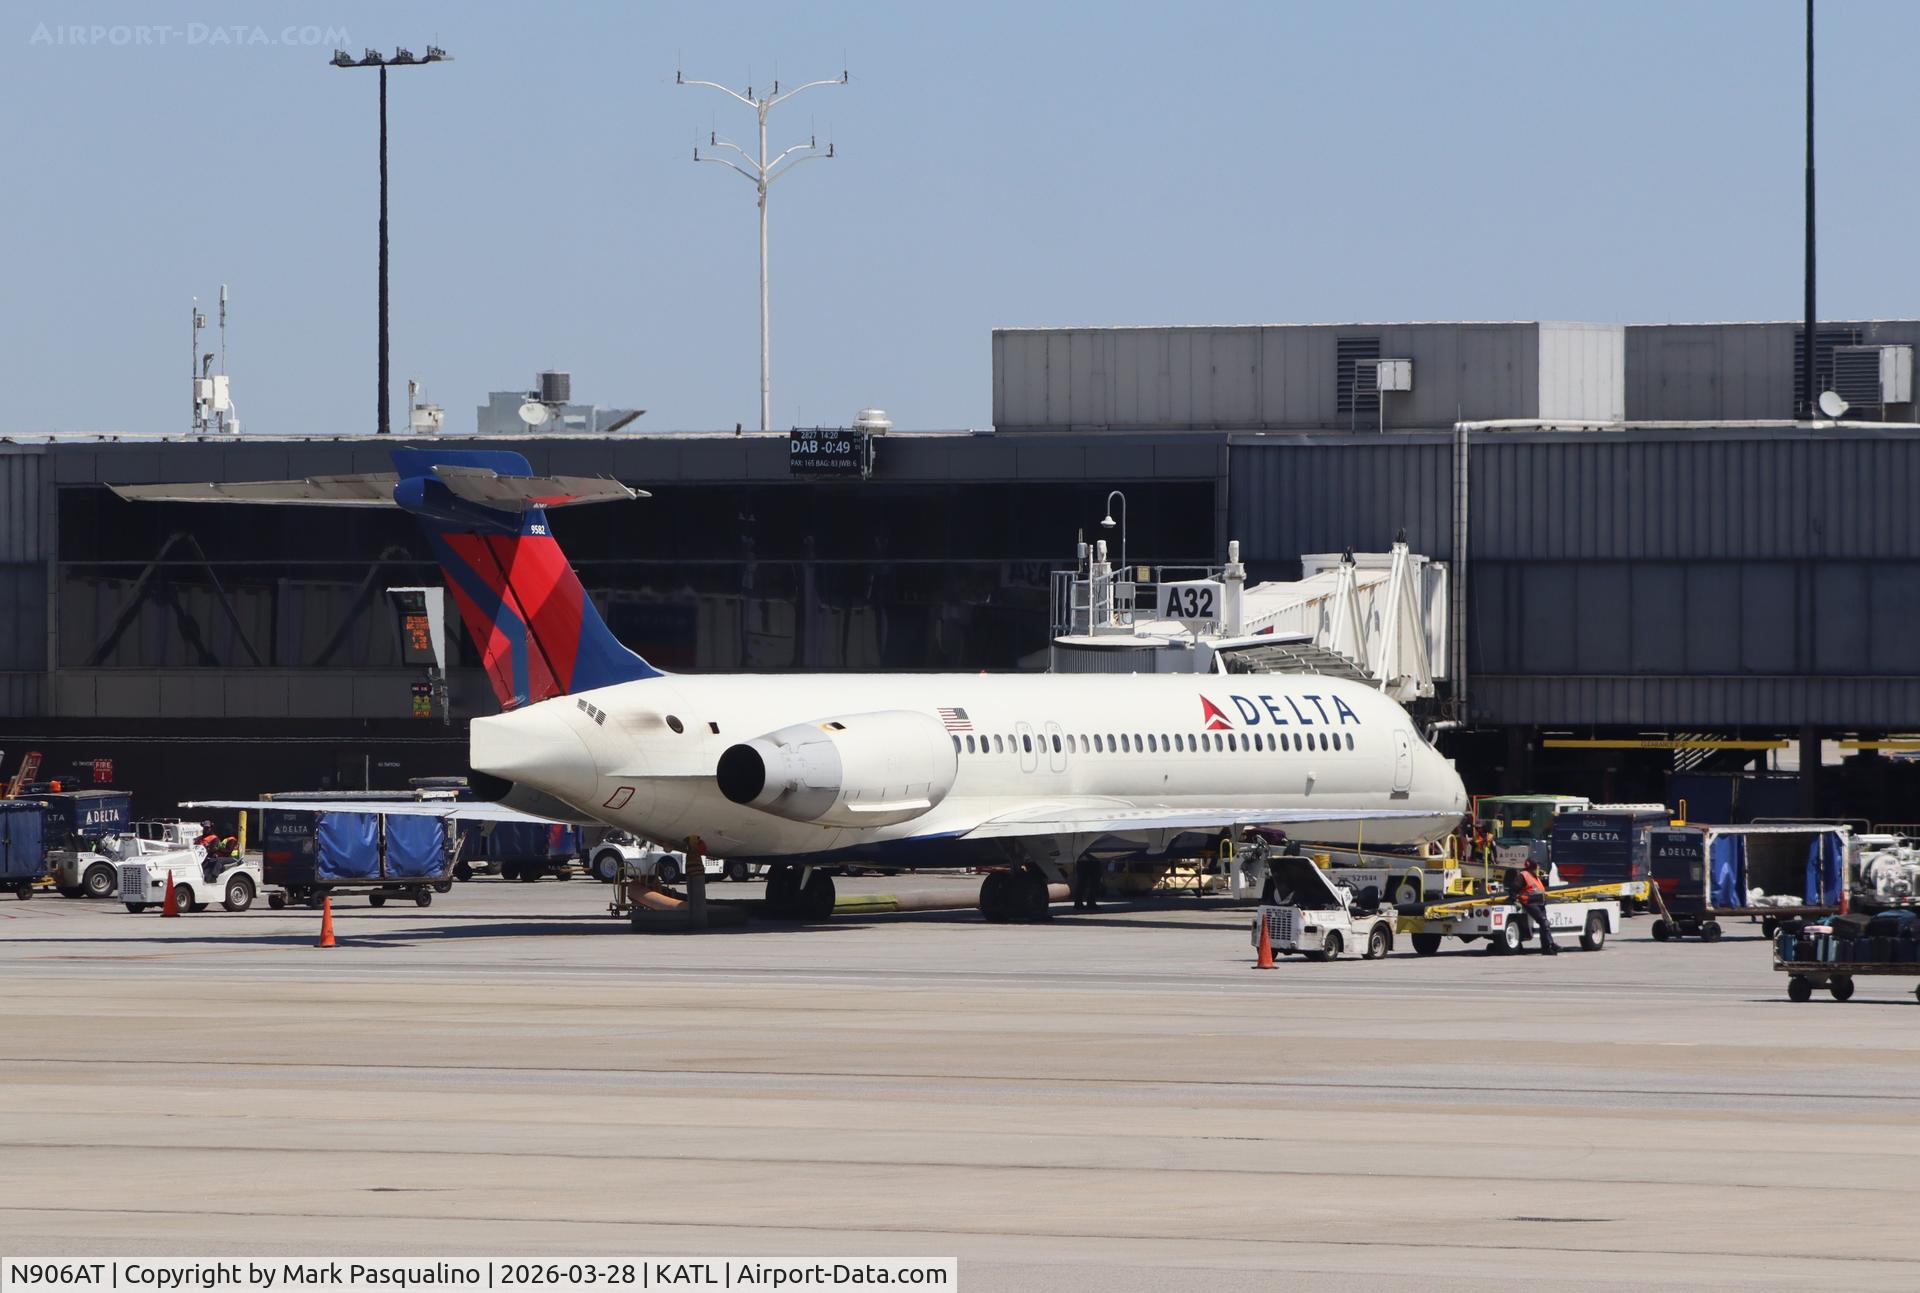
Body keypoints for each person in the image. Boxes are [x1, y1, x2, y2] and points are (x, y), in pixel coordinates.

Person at [1513, 858, 1558, 955]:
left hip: (1540, 903)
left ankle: (1546, 948)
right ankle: (1551, 944)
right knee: (1543, 922)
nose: (1538, 867)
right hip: (1530, 903)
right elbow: (1514, 890)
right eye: (1536, 866)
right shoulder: (1523, 876)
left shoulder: (1534, 876)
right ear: (1532, 866)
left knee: (1545, 925)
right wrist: (1515, 900)